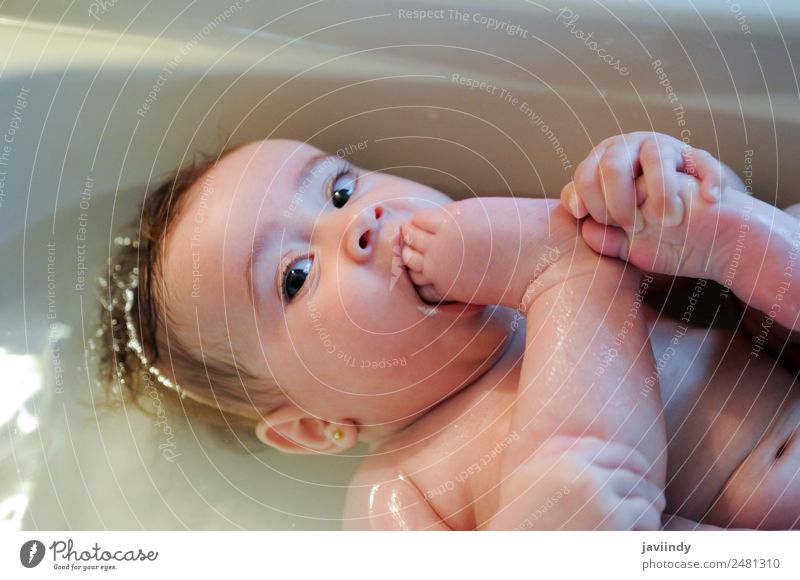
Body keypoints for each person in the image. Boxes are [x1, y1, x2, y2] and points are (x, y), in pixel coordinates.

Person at [99, 133, 800, 530]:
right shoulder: (397, 494)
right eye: (295, 277)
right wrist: (564, 272)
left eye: (340, 190)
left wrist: (673, 198)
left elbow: (718, 295)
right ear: (314, 427)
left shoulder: (545, 238)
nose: (359, 223)